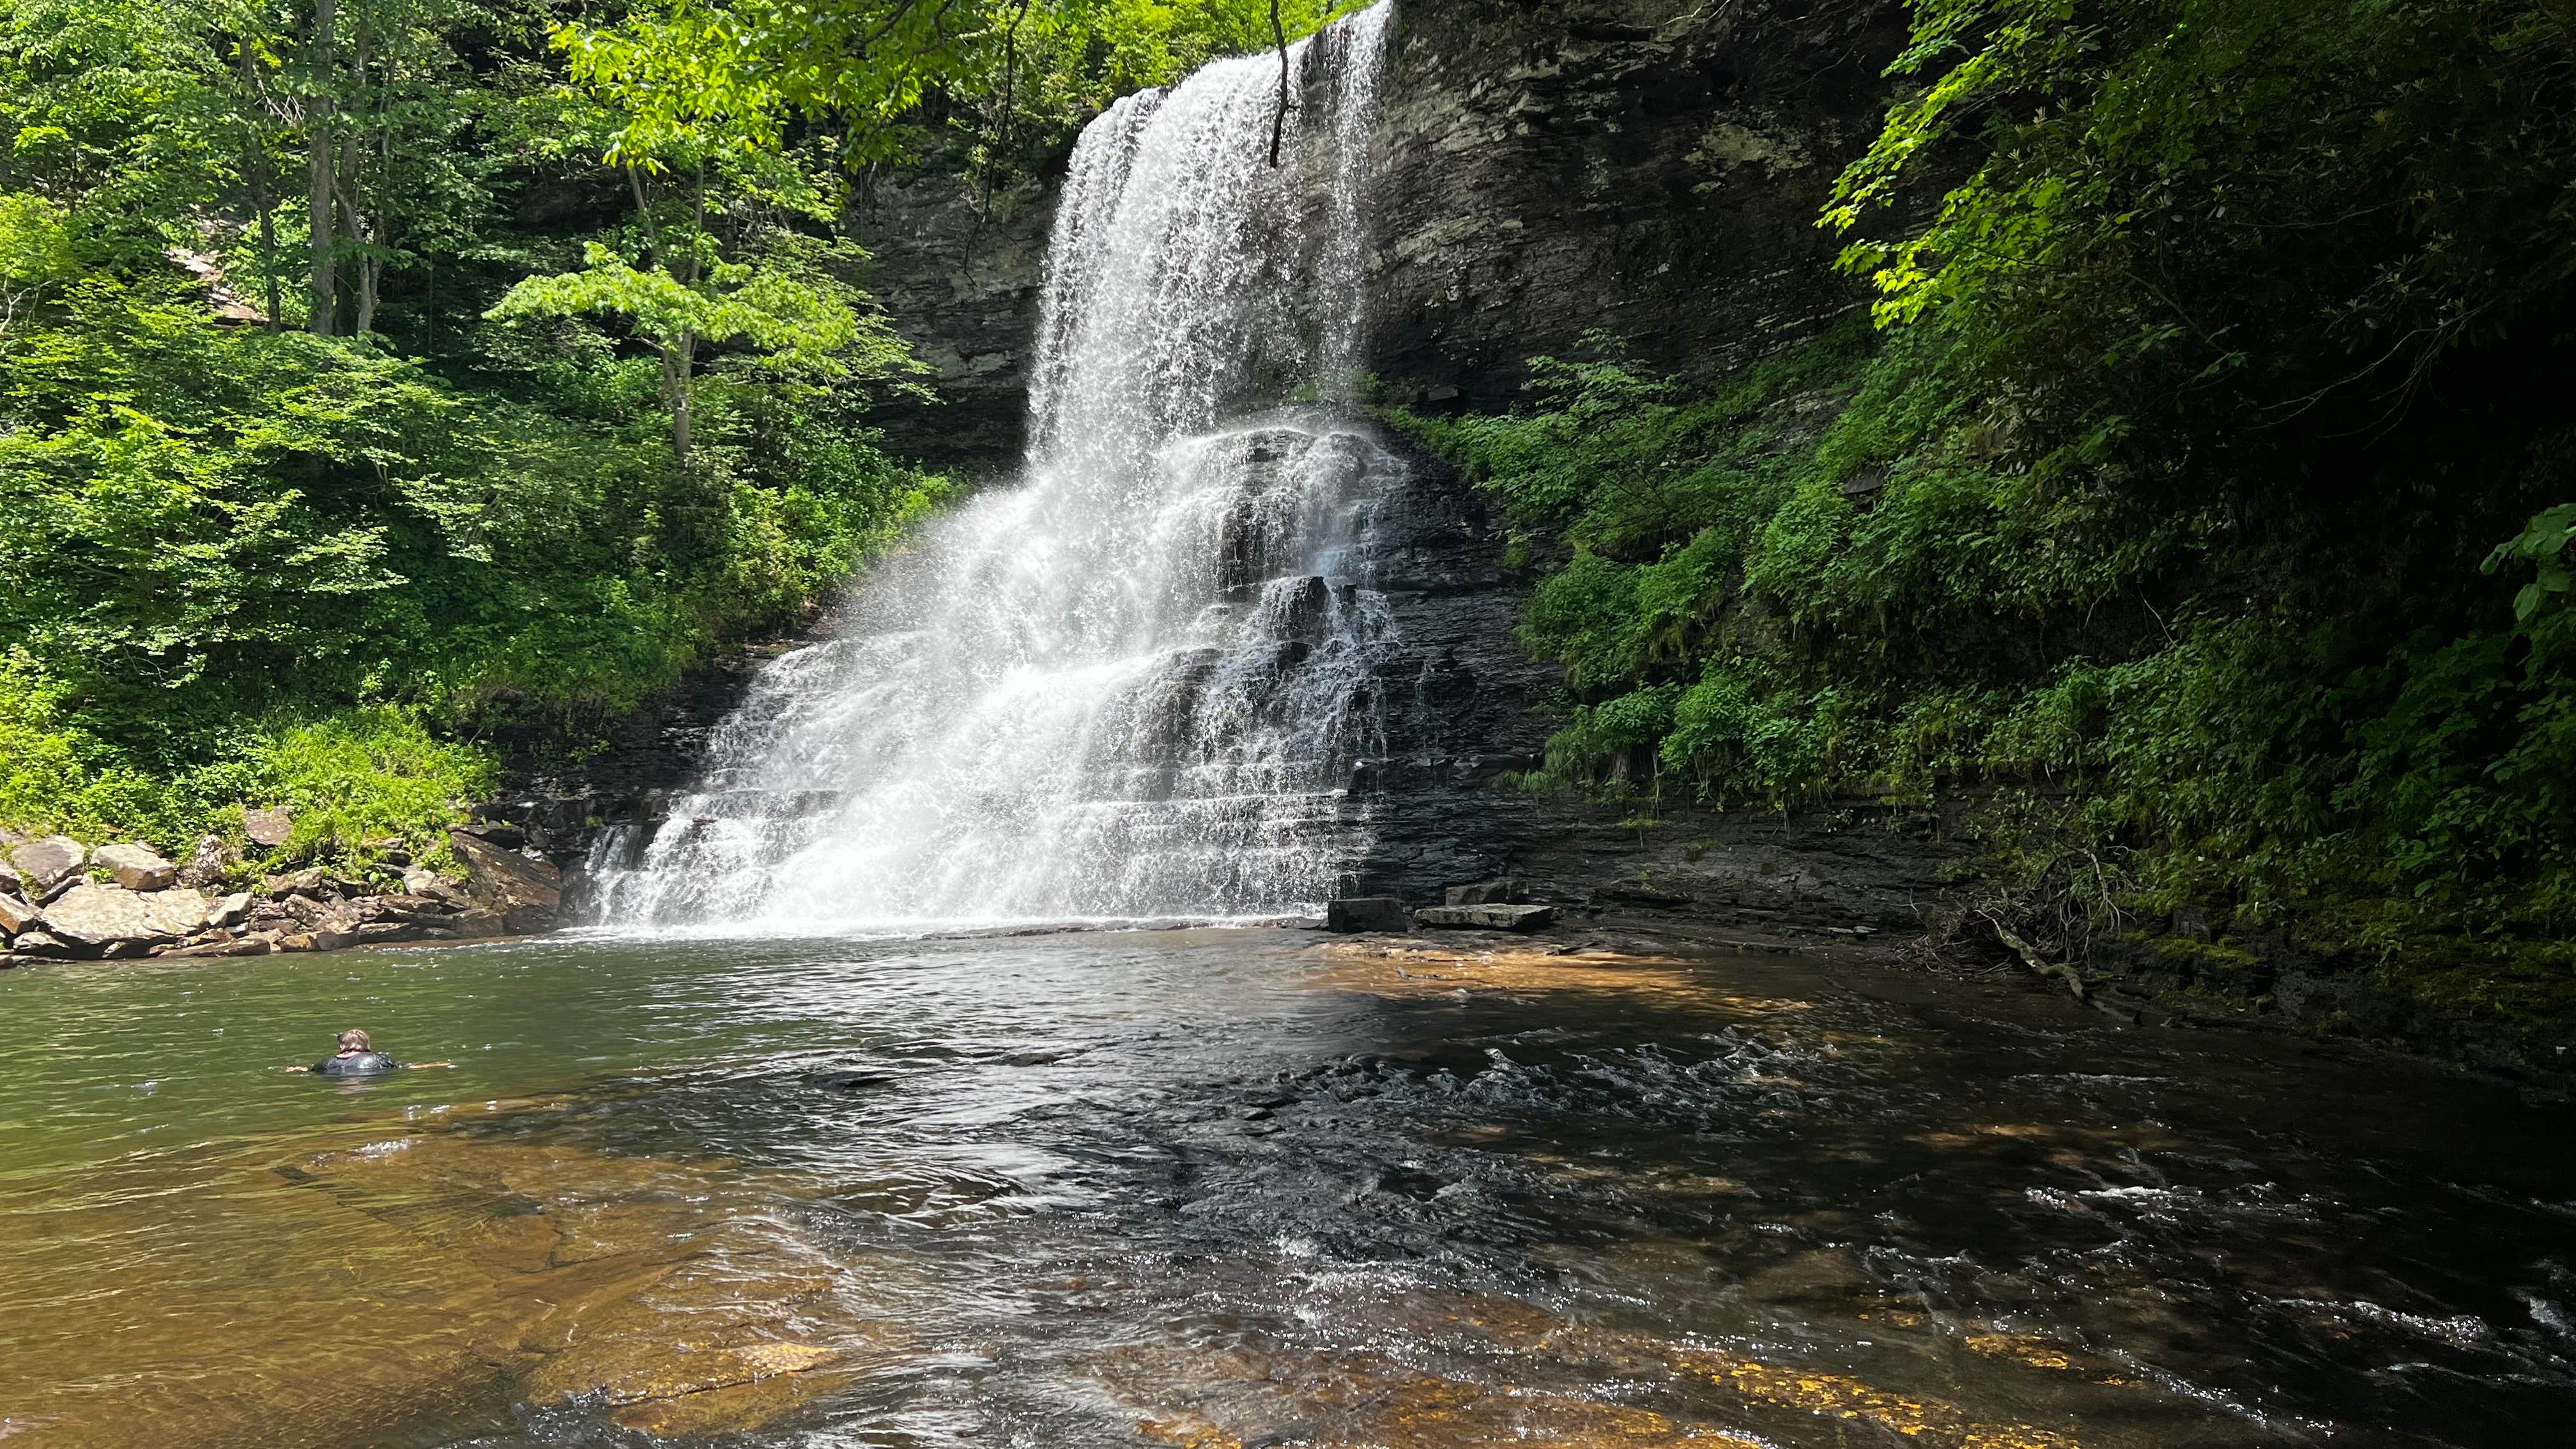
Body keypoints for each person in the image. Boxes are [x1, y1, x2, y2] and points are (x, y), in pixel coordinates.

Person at [299, 1029, 449, 1075]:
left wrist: (294, 1069)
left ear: (341, 1046)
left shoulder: (324, 1063)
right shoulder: (376, 1059)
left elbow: (307, 1070)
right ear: (365, 1045)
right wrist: (434, 1065)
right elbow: (406, 1068)